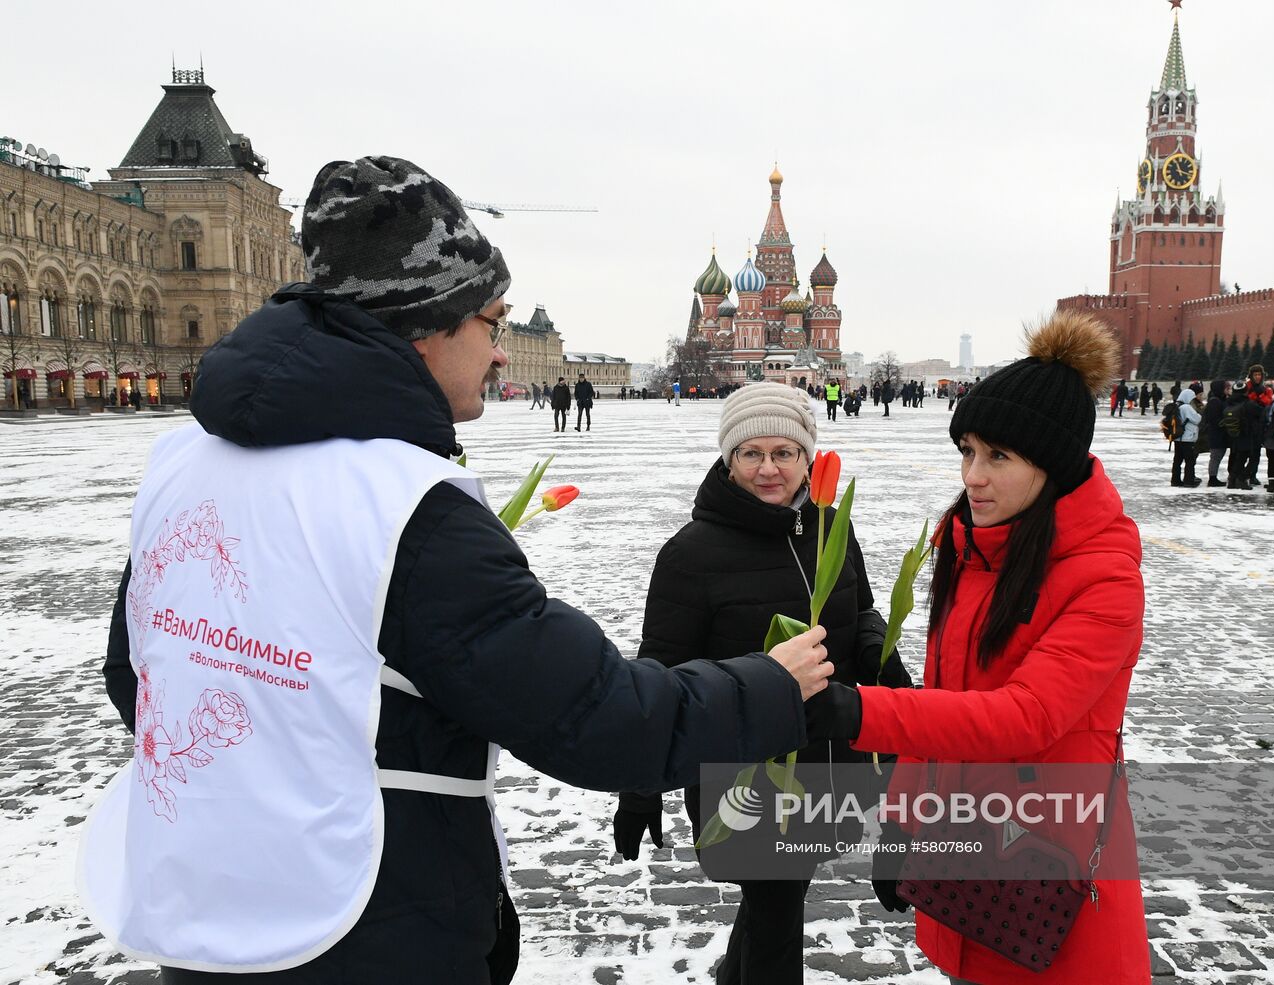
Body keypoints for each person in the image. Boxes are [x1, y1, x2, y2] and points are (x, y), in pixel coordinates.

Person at [84, 156, 834, 985]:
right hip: (365, 920)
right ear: (428, 322)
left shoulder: (184, 462)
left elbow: (139, 675)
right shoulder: (406, 504)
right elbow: (592, 716)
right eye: (491, 319)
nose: (501, 352)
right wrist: (767, 685)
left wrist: (267, 766)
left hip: (200, 907)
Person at [804, 311, 1150, 984]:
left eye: (998, 456)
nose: (974, 476)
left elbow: (1027, 717)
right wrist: (902, 821)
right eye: (967, 451)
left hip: (1047, 870)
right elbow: (943, 699)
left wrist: (859, 711)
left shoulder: (1104, 576)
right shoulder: (971, 548)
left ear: (1052, 465)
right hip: (962, 862)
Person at [613, 383, 912, 985]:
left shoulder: (831, 528)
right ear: (729, 460)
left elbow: (863, 610)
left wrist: (878, 651)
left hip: (828, 758)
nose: (769, 469)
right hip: (743, 770)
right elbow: (659, 673)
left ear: (808, 458)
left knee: (774, 899)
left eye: (784, 452)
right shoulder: (690, 554)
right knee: (777, 910)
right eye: (752, 453)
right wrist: (641, 788)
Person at [1222, 381, 1262, 490]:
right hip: (1248, 434)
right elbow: (1261, 413)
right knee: (1253, 458)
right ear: (1246, 391)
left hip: (1234, 434)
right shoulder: (1249, 404)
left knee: (1239, 458)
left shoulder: (1229, 403)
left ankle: (1232, 480)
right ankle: (1242, 479)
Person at [1201, 379, 1229, 486]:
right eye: (1226, 388)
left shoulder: (1219, 400)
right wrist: (1223, 423)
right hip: (1216, 434)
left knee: (1217, 456)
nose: (1228, 390)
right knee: (1216, 456)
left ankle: (1213, 477)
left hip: (1219, 434)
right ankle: (1212, 478)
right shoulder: (1215, 401)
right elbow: (1213, 419)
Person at [1173, 386, 1203, 486]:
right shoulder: (1186, 407)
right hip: (1188, 438)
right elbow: (1197, 419)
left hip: (1177, 437)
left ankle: (1175, 480)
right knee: (1189, 461)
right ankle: (1189, 481)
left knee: (1177, 460)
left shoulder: (1176, 405)